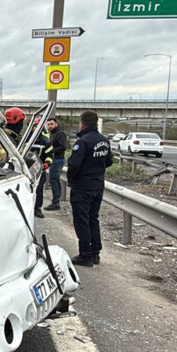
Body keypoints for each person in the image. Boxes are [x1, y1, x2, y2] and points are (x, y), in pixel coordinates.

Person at [67, 111, 113, 267]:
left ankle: (85, 255)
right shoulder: (104, 141)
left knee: (82, 221)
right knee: (93, 219)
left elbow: (74, 165)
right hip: (98, 185)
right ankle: (95, 253)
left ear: (82, 123)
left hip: (83, 187)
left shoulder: (83, 142)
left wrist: (73, 179)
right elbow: (109, 162)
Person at [31, 118, 53, 218]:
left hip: (39, 170)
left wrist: (47, 163)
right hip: (26, 170)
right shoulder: (25, 139)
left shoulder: (45, 141)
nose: (36, 128)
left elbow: (50, 155)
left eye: (38, 127)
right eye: (34, 126)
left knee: (39, 189)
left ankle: (37, 208)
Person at [44, 118, 67, 211]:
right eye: (48, 124)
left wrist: (51, 151)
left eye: (52, 124)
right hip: (55, 159)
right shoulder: (52, 134)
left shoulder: (60, 134)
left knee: (53, 180)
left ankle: (55, 202)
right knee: (55, 179)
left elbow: (63, 147)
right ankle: (57, 200)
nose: (50, 126)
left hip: (58, 159)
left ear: (56, 124)